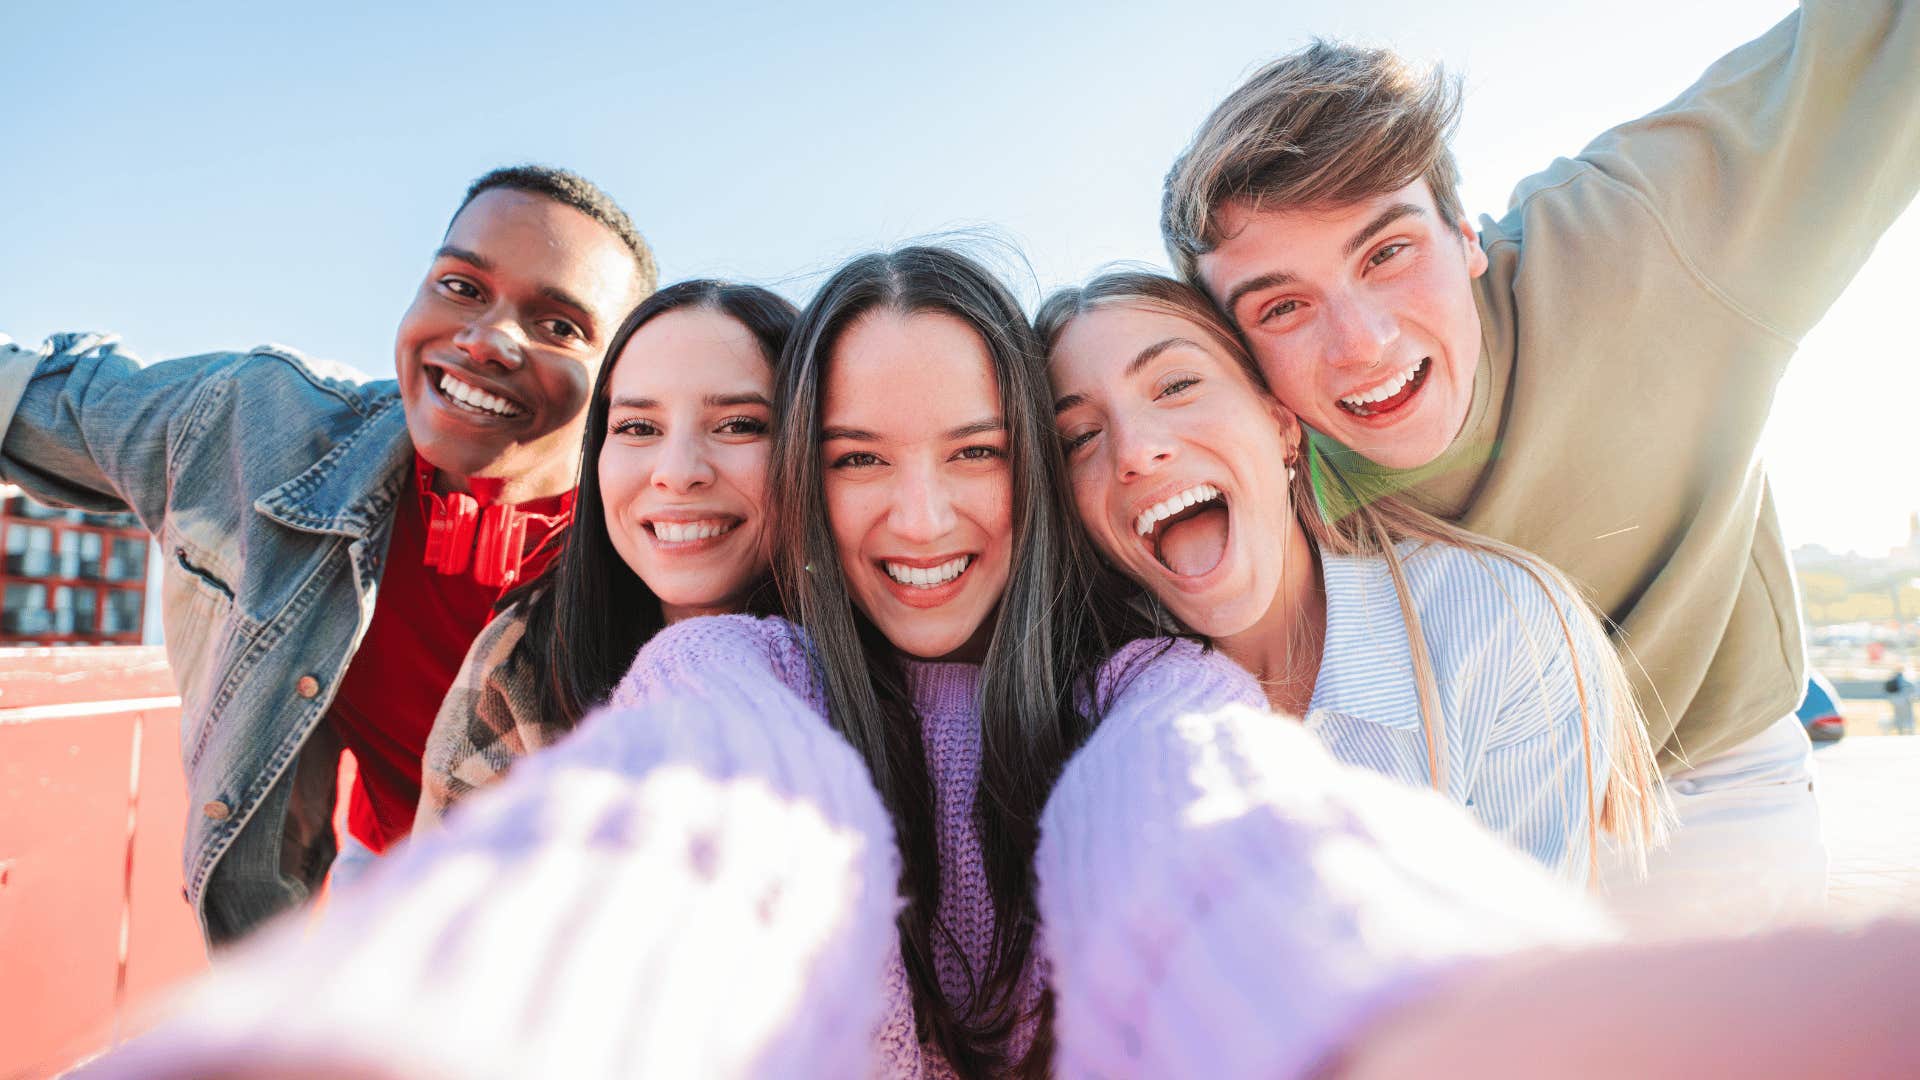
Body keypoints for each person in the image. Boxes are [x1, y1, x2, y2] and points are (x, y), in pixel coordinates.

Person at [1157, 0, 1920, 929]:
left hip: (1696, 777)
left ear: (1466, 234)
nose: (1361, 344)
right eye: (1281, 307)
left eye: (1389, 252)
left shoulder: (1644, 237)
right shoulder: (1228, 450)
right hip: (1440, 804)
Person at [0, 165, 656, 944]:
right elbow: (38, 398)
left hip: (582, 928)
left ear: (620, 383)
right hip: (381, 885)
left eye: (559, 326)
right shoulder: (268, 429)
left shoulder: (661, 541)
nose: (485, 340)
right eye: (461, 286)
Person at [1037, 271, 1663, 881]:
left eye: (1176, 386)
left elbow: (1534, 963)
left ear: (1281, 427)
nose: (1135, 451)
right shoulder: (1084, 732)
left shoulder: (1500, 622)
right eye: (1081, 436)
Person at [412, 279, 797, 831]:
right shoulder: (527, 655)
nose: (677, 471)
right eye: (638, 427)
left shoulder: (900, 656)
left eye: (739, 425)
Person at [1886, 670, 1916, 737]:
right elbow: (1912, 694)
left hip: (1897, 702)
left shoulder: (1893, 681)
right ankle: (1909, 732)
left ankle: (1902, 732)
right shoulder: (1907, 682)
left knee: (1899, 717)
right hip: (1905, 702)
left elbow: (1888, 693)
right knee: (1908, 718)